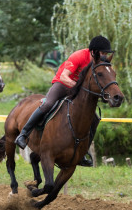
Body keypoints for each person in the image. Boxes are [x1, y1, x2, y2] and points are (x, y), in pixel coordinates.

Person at [15, 35, 114, 167]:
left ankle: (83, 153)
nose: (104, 56)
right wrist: (78, 87)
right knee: (48, 104)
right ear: (93, 52)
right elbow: (64, 76)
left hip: (78, 89)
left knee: (95, 118)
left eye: (106, 53)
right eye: (102, 53)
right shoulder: (78, 56)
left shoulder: (98, 64)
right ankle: (23, 134)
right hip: (62, 84)